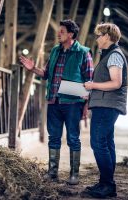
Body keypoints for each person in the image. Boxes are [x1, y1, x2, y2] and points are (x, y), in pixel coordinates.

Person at [19, 19, 93, 185]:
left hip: (73, 103)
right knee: (54, 137)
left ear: (71, 34)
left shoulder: (83, 53)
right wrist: (33, 69)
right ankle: (52, 172)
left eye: (62, 31)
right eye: (59, 31)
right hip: (53, 101)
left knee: (73, 138)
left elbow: (89, 81)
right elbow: (45, 74)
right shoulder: (54, 51)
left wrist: (86, 106)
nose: (58, 34)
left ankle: (74, 174)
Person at [83, 23, 128, 198]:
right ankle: (105, 183)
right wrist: (91, 92)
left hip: (107, 106)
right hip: (105, 104)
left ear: (107, 36)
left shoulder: (114, 56)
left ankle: (108, 185)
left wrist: (93, 85)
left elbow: (116, 83)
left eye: (99, 35)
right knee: (107, 144)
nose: (97, 39)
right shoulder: (108, 55)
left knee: (98, 143)